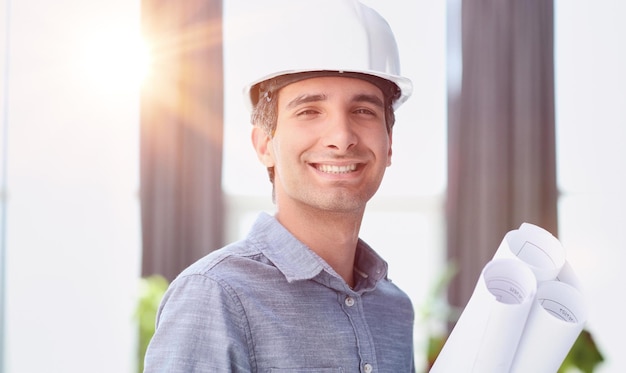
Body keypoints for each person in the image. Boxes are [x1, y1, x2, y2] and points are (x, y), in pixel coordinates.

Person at [143, 0, 415, 371]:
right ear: (264, 145)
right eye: (309, 111)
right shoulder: (215, 295)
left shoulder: (393, 308)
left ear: (389, 146)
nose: (341, 137)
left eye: (363, 110)